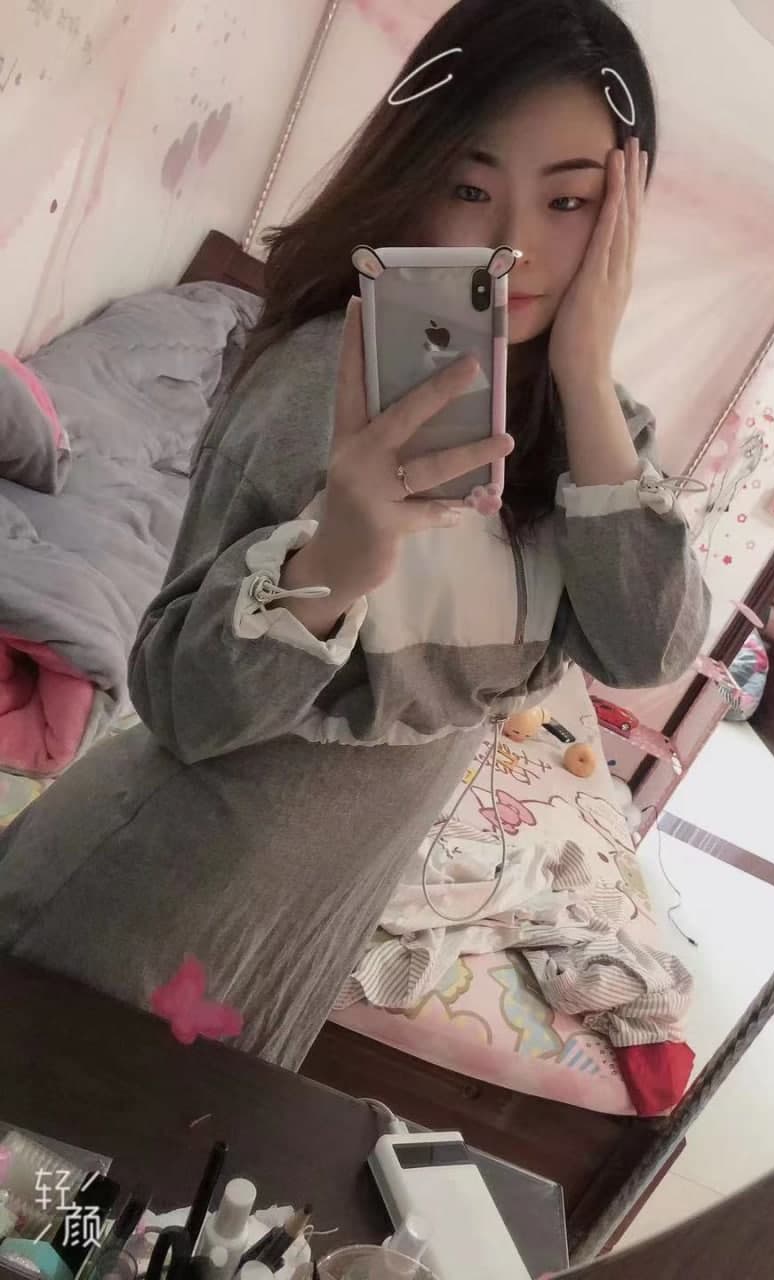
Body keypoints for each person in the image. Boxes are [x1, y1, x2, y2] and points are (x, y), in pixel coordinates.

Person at [0, 0, 709, 1069]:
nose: (514, 243)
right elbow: (183, 708)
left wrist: (584, 376)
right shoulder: (319, 385)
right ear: (413, 175)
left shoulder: (602, 432)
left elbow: (647, 646)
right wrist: (333, 561)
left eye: (569, 199)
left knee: (159, 1171)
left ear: (625, 214)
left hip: (302, 929)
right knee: (60, 1165)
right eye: (470, 186)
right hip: (140, 901)